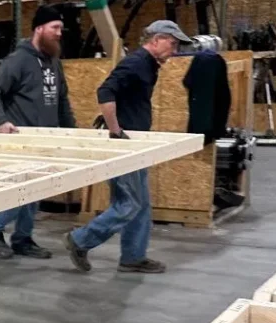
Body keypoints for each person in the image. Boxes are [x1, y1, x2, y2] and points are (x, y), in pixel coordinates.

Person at [64, 20, 192, 274]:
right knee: (129, 204)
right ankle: (80, 240)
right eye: (172, 43)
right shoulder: (135, 63)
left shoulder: (149, 65)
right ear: (156, 40)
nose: (174, 50)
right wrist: (115, 131)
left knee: (141, 204)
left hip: (137, 146)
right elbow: (105, 92)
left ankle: (133, 256)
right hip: (124, 147)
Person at [0, 5, 75, 260]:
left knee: (37, 192)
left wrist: (72, 133)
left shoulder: (54, 61)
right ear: (39, 28)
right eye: (54, 28)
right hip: (22, 139)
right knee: (23, 192)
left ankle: (22, 239)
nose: (59, 33)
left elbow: (62, 100)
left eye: (60, 28)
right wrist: (1, 122)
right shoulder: (18, 60)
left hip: (47, 138)